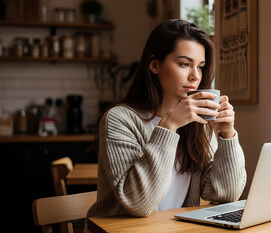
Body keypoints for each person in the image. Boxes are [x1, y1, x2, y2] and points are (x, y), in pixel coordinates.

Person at [86, 19, 246, 218]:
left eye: (201, 66)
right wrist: (169, 126)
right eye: (185, 64)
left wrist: (227, 134)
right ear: (154, 65)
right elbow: (138, 204)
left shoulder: (198, 124)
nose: (195, 76)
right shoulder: (120, 119)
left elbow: (226, 194)